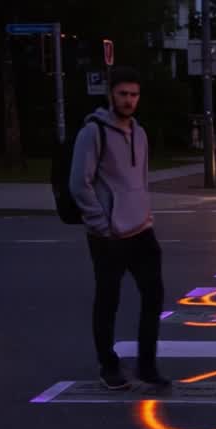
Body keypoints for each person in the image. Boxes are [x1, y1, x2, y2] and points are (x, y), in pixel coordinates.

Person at [69, 66, 170, 389]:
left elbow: (138, 181)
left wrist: (145, 214)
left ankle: (147, 366)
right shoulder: (93, 132)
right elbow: (79, 183)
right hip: (108, 235)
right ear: (111, 94)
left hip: (142, 229)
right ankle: (108, 365)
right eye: (123, 94)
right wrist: (101, 223)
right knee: (108, 299)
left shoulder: (139, 134)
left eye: (134, 94)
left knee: (154, 295)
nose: (129, 100)